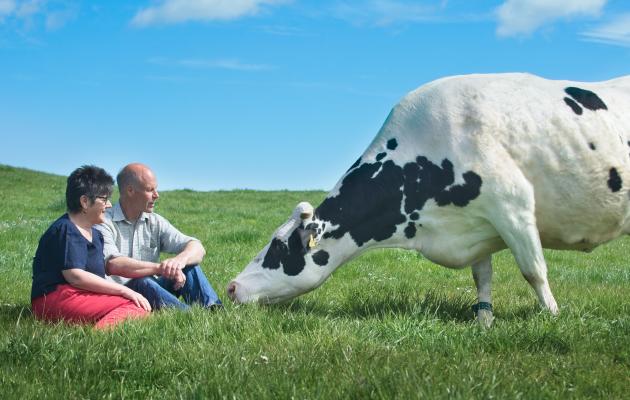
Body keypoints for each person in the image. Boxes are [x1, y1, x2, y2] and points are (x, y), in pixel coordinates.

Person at [31, 166, 151, 330]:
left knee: (137, 306)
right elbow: (76, 277)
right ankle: (98, 337)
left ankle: (100, 327)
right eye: (104, 199)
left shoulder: (96, 235)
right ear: (85, 202)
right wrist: (124, 291)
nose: (109, 205)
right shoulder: (66, 229)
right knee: (134, 307)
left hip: (79, 295)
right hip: (54, 297)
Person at [96, 163, 222, 310]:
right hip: (123, 297)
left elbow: (197, 246)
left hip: (154, 291)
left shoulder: (155, 221)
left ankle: (214, 310)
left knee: (190, 267)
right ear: (130, 190)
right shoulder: (103, 221)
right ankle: (187, 317)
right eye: (150, 190)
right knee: (142, 281)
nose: (157, 195)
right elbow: (113, 264)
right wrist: (161, 268)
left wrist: (179, 261)